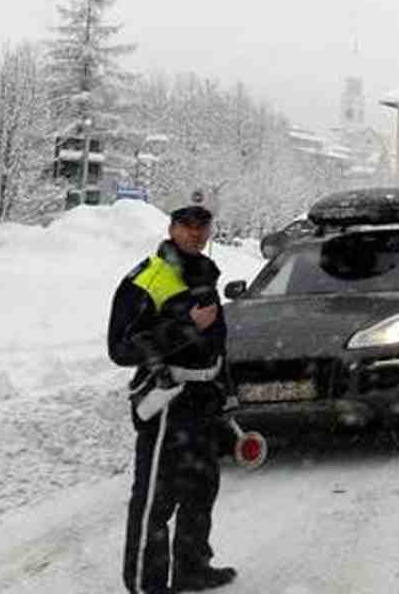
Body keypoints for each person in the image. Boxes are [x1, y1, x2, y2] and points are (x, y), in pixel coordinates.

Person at [108, 205, 239, 594]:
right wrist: (184, 328)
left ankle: (191, 569)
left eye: (203, 227)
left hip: (203, 399)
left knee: (201, 487)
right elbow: (119, 347)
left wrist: (226, 391)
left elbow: (216, 342)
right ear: (172, 229)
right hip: (167, 401)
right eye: (188, 227)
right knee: (155, 497)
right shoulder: (147, 278)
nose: (196, 234)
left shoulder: (203, 275)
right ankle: (145, 584)